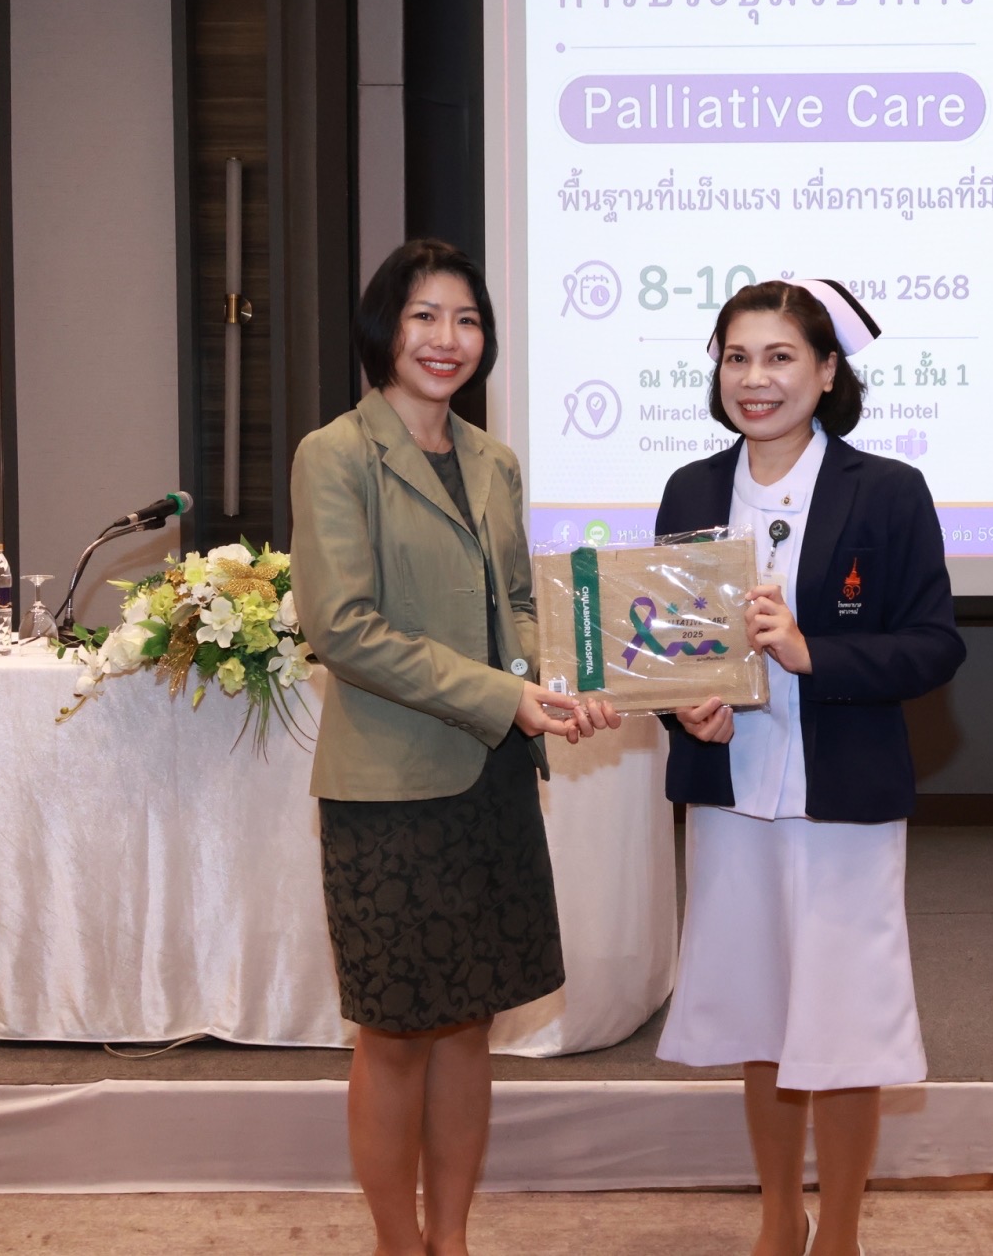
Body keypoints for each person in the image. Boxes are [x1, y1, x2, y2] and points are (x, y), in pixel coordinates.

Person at [291, 238, 618, 1256]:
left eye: (466, 319)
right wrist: (504, 695)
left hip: (489, 783)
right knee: (393, 1035)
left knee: (469, 1022)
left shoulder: (493, 460)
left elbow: (513, 602)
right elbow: (344, 629)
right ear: (384, 328)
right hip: (389, 791)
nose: (447, 338)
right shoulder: (336, 454)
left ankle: (453, 1238)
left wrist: (552, 678)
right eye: (424, 315)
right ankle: (399, 1244)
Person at [655, 279, 964, 1256]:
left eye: (781, 356)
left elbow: (933, 646)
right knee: (759, 1017)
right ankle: (777, 1217)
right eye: (737, 357)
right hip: (730, 795)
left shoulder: (887, 491)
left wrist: (808, 653)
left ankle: (840, 1234)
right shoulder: (691, 490)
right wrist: (682, 704)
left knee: (841, 1026)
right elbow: (664, 647)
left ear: (827, 371)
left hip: (842, 801)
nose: (756, 378)